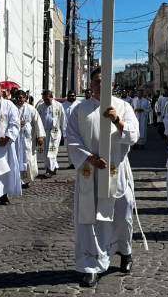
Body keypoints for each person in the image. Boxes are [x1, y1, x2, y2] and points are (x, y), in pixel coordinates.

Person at [67, 68, 138, 287]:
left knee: (122, 214)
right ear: (91, 83)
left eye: (105, 82)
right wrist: (89, 158)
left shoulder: (123, 106)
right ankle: (91, 264)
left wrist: (117, 121)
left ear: (112, 85)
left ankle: (125, 253)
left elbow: (133, 136)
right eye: (97, 81)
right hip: (91, 172)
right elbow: (71, 138)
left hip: (117, 169)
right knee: (91, 218)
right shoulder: (80, 109)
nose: (100, 85)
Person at [14, 90, 45, 187]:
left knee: (28, 158)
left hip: (28, 139)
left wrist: (39, 136)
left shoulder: (31, 109)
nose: (20, 99)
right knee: (16, 158)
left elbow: (37, 122)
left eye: (22, 97)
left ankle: (27, 179)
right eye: (18, 97)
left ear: (25, 98)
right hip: (16, 138)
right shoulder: (12, 108)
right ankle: (17, 180)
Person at [36, 90, 66, 176]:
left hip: (55, 132)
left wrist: (64, 133)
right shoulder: (40, 106)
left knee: (52, 152)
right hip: (43, 132)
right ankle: (54, 166)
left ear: (51, 97)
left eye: (47, 99)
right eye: (44, 99)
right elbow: (37, 119)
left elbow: (63, 119)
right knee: (45, 152)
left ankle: (50, 170)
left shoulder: (58, 105)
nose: (46, 101)